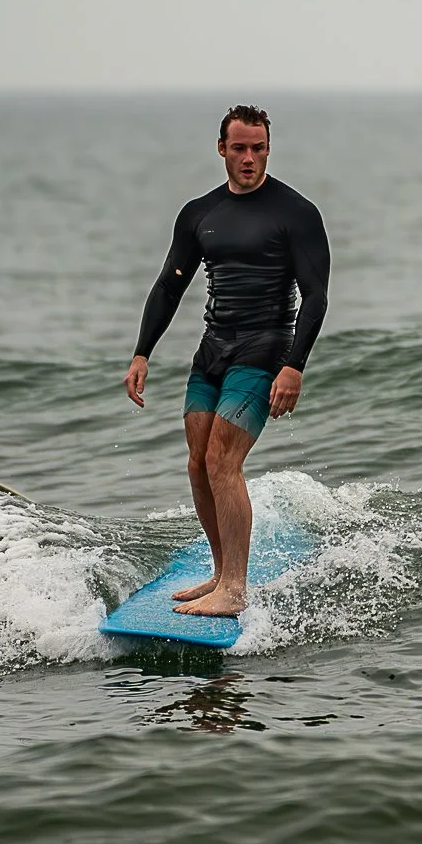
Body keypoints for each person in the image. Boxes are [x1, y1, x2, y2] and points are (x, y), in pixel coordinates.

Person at [123, 105, 330, 617]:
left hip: (264, 350)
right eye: (239, 148)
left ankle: (235, 589)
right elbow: (170, 286)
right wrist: (142, 352)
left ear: (268, 149)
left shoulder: (295, 212)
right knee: (197, 464)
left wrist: (294, 365)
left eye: (258, 148)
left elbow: (316, 296)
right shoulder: (200, 214)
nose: (249, 158)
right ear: (221, 148)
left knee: (223, 460)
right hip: (213, 349)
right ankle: (220, 573)